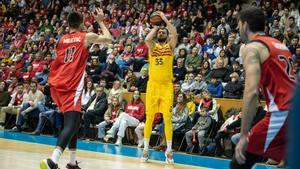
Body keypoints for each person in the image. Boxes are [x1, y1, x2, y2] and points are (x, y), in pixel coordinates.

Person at [40, 9, 112, 169]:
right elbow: (109, 39)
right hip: (71, 86)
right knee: (71, 125)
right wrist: (100, 21)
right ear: (81, 24)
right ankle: (53, 160)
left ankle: (72, 162)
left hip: (56, 85)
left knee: (75, 121)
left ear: (68, 24)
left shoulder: (60, 40)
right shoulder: (85, 37)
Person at [230, 7, 295, 169]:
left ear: (245, 25)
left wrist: (244, 134)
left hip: (282, 112)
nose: (238, 29)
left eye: (238, 24)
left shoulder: (251, 48)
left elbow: (251, 92)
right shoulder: (280, 45)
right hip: (294, 109)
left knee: (239, 162)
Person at [141, 11, 178, 164]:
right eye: (160, 32)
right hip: (153, 86)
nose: (162, 32)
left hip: (166, 87)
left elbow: (174, 33)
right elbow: (147, 38)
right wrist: (156, 27)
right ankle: (145, 149)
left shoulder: (170, 47)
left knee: (168, 118)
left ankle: (169, 151)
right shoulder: (152, 47)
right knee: (149, 118)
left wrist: (164, 20)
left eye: (164, 31)